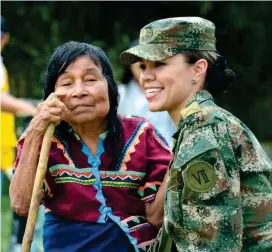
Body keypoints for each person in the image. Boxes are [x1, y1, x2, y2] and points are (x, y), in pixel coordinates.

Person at [120, 17, 272, 251]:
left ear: (198, 69)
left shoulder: (204, 131)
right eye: (142, 66)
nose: (146, 77)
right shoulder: (196, 125)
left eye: (159, 64)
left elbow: (213, 246)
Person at [9, 41, 172, 252]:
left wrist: (180, 159)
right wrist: (34, 132)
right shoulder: (43, 141)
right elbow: (22, 205)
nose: (79, 91)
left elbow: (157, 217)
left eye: (91, 79)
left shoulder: (142, 134)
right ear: (52, 96)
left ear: (110, 87)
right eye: (66, 83)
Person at [118, 39, 175, 148]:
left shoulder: (167, 89)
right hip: (133, 155)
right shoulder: (121, 93)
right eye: (142, 66)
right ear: (130, 66)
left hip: (168, 153)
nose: (146, 72)